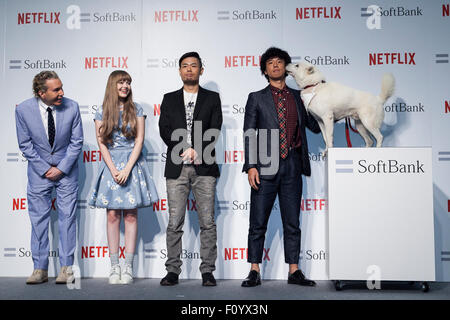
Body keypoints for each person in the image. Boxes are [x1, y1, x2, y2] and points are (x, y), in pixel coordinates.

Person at [241, 47, 321, 287]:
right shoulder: (256, 97)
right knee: (258, 221)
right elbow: (250, 133)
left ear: (286, 68)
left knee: (292, 221)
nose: (275, 65)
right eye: (270, 63)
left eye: (279, 62)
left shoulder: (300, 97)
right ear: (264, 70)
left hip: (293, 165)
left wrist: (325, 103)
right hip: (264, 167)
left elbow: (315, 127)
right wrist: (251, 166)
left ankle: (294, 270)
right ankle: (254, 269)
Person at [88, 70, 158, 284]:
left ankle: (128, 266)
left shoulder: (137, 109)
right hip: (110, 167)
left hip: (132, 165)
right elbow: (101, 143)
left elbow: (139, 140)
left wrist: (127, 168)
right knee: (112, 216)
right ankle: (114, 266)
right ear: (112, 85)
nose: (125, 86)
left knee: (130, 215)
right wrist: (113, 169)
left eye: (128, 82)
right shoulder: (101, 112)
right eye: (121, 82)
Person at [158, 52, 222, 286]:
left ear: (201, 70)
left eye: (193, 66)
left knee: (207, 221)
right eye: (184, 66)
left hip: (204, 167)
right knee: (175, 222)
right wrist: (184, 148)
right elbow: (165, 129)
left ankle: (207, 271)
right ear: (179, 71)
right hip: (177, 168)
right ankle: (173, 270)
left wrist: (198, 149)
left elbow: (215, 127)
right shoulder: (169, 98)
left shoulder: (212, 98)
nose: (189, 69)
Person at [15, 71, 83, 284]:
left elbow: (77, 141)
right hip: (39, 173)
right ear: (41, 92)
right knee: (39, 220)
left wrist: (61, 168)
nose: (62, 92)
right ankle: (39, 269)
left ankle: (66, 268)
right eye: (56, 89)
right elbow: (25, 144)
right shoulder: (23, 109)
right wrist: (45, 168)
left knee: (67, 219)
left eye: (62, 87)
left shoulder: (72, 107)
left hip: (66, 172)